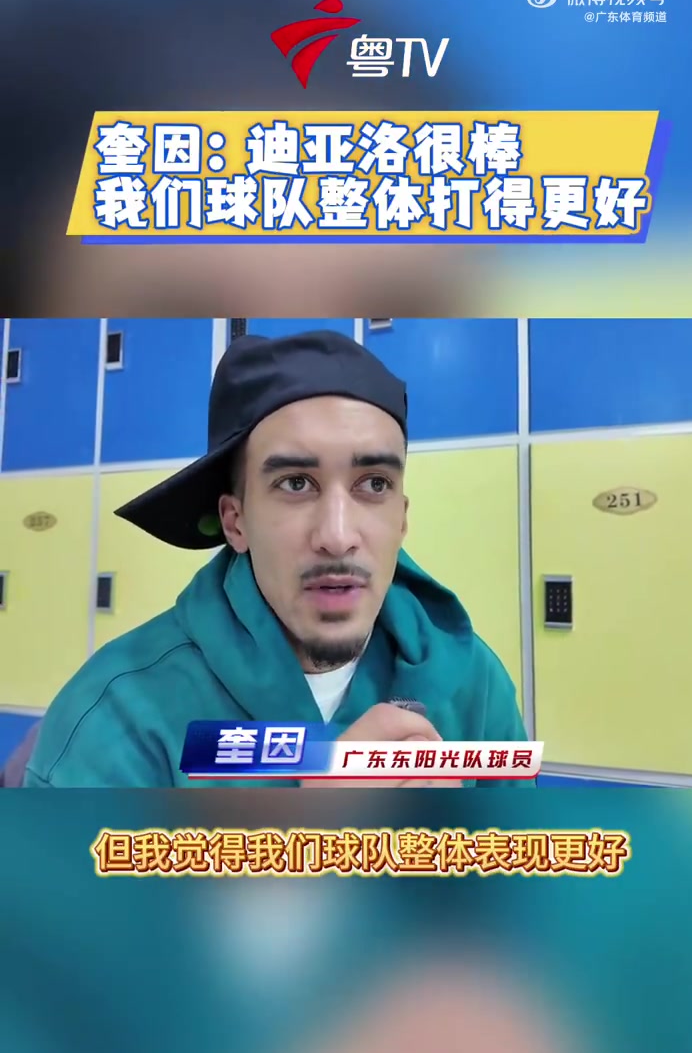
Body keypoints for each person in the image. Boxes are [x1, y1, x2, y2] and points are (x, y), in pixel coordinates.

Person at [24, 330, 531, 789]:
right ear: (235, 522)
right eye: (296, 483)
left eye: (375, 484)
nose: (337, 537)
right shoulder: (116, 717)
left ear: (401, 518)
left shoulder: (473, 682)